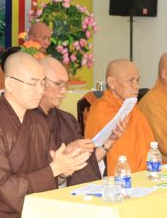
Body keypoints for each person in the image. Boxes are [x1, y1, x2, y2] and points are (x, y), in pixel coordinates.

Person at [0, 52, 90, 218]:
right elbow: (7, 189)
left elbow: (49, 176)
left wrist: (62, 173)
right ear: (10, 84)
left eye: (42, 83)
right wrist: (53, 170)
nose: (40, 90)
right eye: (32, 84)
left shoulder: (38, 123)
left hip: (35, 213)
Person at [33, 57, 126, 186]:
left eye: (65, 85)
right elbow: (35, 172)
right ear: (41, 83)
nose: (63, 91)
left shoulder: (67, 119)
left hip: (85, 189)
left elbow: (89, 162)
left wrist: (110, 141)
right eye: (59, 84)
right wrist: (67, 152)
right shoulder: (28, 122)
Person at [84, 59, 155, 173]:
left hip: (144, 175)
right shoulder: (101, 111)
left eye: (137, 80)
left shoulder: (134, 110)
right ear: (112, 82)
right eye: (130, 80)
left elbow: (150, 147)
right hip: (119, 178)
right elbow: (112, 162)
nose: (137, 86)